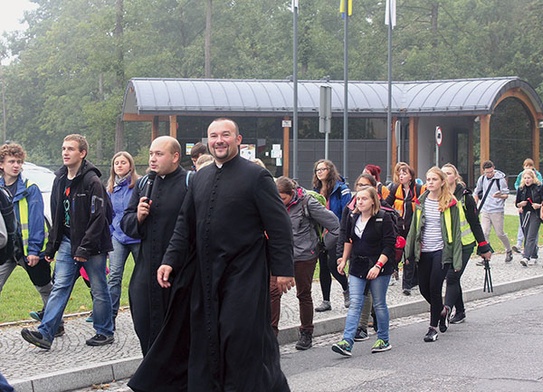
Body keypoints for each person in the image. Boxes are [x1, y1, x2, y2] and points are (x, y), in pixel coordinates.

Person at [128, 118, 295, 392]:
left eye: (225, 135)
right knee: (207, 337)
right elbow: (184, 225)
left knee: (238, 337)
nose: (219, 140)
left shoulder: (256, 177)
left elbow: (279, 226)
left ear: (238, 140)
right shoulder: (200, 178)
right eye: (214, 135)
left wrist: (283, 269)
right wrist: (170, 260)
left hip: (245, 272)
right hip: (206, 273)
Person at [21, 134, 114, 350]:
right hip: (66, 241)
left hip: (93, 245)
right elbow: (57, 215)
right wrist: (52, 246)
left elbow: (99, 218)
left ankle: (104, 331)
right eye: (63, 148)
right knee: (60, 286)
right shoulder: (60, 180)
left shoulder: (92, 181)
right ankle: (45, 334)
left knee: (99, 288)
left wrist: (84, 248)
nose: (65, 152)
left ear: (82, 153)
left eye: (70, 149)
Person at [120, 136, 191, 356]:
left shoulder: (190, 182)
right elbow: (126, 222)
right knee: (143, 321)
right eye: (151, 154)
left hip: (178, 270)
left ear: (175, 156)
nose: (152, 159)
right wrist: (138, 218)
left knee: (176, 331)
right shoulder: (143, 183)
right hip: (146, 267)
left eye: (159, 154)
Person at [271, 176, 339, 350]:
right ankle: (271, 336)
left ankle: (306, 332)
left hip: (303, 257)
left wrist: (322, 246)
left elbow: (335, 225)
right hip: (279, 256)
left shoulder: (307, 203)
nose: (280, 202)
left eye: (283, 198)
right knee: (272, 293)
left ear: (292, 193)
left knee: (303, 294)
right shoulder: (272, 202)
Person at [331, 186, 396, 356]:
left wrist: (378, 266)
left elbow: (389, 246)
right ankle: (347, 341)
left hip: (378, 266)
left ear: (373, 201)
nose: (360, 202)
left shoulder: (384, 218)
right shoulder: (353, 217)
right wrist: (344, 259)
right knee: (355, 304)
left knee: (379, 303)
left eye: (364, 198)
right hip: (357, 265)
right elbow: (349, 240)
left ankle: (383, 339)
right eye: (358, 199)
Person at [405, 167, 462, 342]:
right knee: (423, 288)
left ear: (442, 182)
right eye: (428, 179)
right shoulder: (421, 202)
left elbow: (456, 231)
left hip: (441, 251)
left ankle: (432, 328)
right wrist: (408, 253)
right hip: (424, 251)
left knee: (434, 288)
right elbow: (414, 229)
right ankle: (443, 311)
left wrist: (456, 259)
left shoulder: (450, 202)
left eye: (434, 179)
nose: (430, 182)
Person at [0, 144, 55, 327]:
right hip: (5, 249)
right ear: (2, 164)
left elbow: (36, 222)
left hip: (28, 249)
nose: (16, 165)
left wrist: (34, 250)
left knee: (44, 288)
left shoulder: (30, 189)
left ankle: (56, 323)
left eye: (19, 162)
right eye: (11, 161)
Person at [441, 163, 492, 324]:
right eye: (443, 173)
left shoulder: (465, 197)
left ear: (455, 176)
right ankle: (460, 311)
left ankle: (446, 310)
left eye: (449, 173)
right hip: (447, 245)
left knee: (452, 277)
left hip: (465, 244)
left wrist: (483, 246)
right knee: (453, 279)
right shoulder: (437, 195)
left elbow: (475, 223)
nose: (446, 176)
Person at [106, 151, 140, 326]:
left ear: (130, 165)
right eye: (116, 163)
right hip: (118, 236)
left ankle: (144, 312)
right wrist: (111, 233)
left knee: (142, 275)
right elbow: (109, 214)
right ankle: (110, 317)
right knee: (114, 276)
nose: (119, 165)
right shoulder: (110, 189)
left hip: (137, 237)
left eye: (123, 162)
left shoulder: (138, 185)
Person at [312, 159, 351, 312]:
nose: (319, 172)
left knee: (333, 265)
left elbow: (346, 211)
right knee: (323, 267)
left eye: (322, 169)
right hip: (321, 233)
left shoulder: (341, 189)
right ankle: (326, 300)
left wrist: (342, 232)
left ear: (330, 170)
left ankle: (347, 290)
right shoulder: (315, 190)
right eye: (317, 170)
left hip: (336, 232)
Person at [385, 163, 424, 296]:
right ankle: (410, 279)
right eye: (400, 174)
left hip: (413, 229)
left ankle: (406, 285)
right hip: (399, 228)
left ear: (411, 176)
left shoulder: (419, 189)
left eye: (405, 173)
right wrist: (394, 216)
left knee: (409, 255)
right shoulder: (396, 189)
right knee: (396, 253)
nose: (401, 176)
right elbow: (386, 204)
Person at [473, 160, 513, 262]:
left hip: (497, 210)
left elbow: (506, 194)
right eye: (487, 172)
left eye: (491, 171)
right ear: (483, 171)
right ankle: (486, 255)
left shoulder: (500, 180)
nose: (490, 174)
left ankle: (508, 250)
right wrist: (475, 204)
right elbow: (477, 192)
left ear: (494, 168)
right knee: (484, 232)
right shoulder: (482, 179)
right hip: (485, 209)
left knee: (500, 233)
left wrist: (499, 196)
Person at [512, 158, 542, 254]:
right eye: (525, 178)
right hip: (525, 213)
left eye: (529, 178)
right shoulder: (521, 189)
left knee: (531, 235)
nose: (527, 180)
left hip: (535, 213)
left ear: (533, 178)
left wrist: (539, 205)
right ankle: (533, 253)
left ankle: (526, 256)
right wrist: (520, 205)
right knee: (526, 233)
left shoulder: (538, 188)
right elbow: (517, 202)